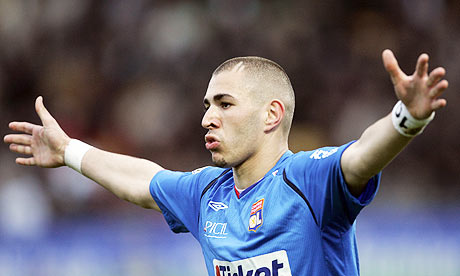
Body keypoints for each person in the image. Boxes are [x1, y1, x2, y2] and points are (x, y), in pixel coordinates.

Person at [4, 49, 448, 275]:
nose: (206, 118)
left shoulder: (307, 180)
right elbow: (145, 182)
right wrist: (70, 152)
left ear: (271, 114)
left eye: (224, 104)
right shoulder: (208, 194)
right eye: (206, 105)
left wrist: (407, 118)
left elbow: (361, 157)